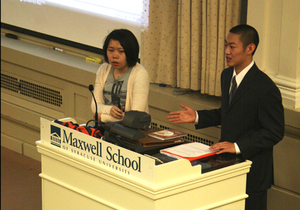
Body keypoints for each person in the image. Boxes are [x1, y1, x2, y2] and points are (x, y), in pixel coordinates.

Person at [167, 24, 284, 210]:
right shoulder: (226, 74)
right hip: (226, 163)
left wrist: (238, 146)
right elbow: (229, 113)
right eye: (225, 45)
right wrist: (197, 116)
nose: (226, 51)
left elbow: (274, 131)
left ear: (250, 48)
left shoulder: (266, 88)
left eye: (232, 46)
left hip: (253, 171)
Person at [91, 29, 149, 123]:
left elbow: (135, 117)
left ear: (130, 52)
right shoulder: (103, 70)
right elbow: (94, 106)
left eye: (121, 51)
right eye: (110, 50)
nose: (115, 56)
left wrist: (102, 117)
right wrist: (109, 110)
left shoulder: (140, 74)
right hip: (104, 129)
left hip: (131, 132)